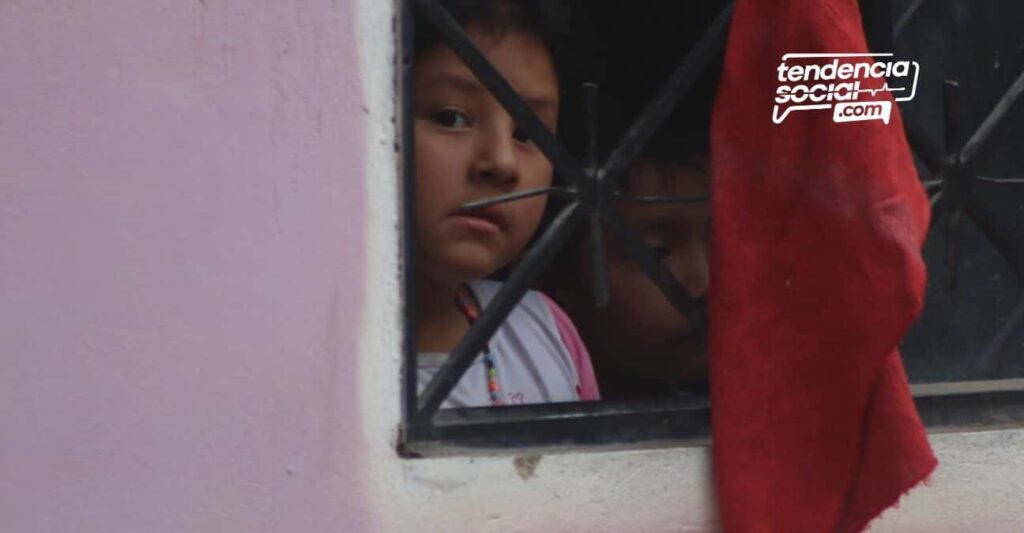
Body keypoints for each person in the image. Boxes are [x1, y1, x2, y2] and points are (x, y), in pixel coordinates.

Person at [412, 0, 599, 408]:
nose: (501, 162)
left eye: (528, 134)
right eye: (450, 118)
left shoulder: (544, 330)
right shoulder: (317, 353)